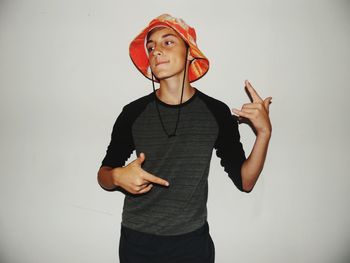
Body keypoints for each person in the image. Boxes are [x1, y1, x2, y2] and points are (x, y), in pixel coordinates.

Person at [97, 13, 272, 263]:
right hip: (137, 242)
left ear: (190, 52)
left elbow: (245, 181)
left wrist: (264, 133)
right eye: (151, 46)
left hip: (191, 243)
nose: (156, 51)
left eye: (167, 42)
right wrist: (116, 176)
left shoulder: (216, 112)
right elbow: (103, 175)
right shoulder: (133, 113)